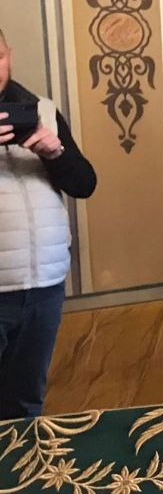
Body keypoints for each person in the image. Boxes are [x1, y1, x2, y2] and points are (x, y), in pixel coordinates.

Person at [0, 27, 97, 419]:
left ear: (9, 55)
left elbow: (85, 184)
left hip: (44, 286)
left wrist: (55, 152)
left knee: (26, 403)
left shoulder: (42, 111)